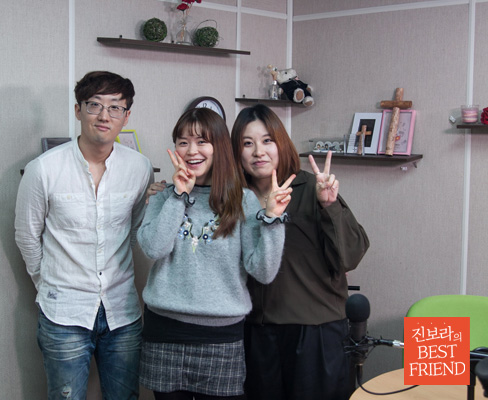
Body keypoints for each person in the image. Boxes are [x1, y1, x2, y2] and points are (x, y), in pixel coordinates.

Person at [137, 107, 295, 400]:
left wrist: (273, 220)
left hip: (221, 337)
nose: (191, 150)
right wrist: (179, 195)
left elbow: (263, 272)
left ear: (219, 146)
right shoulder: (162, 196)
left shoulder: (243, 201)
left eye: (202, 141)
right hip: (164, 332)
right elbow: (154, 248)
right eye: (183, 142)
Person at [14, 71, 154, 400]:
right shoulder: (44, 169)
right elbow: (26, 236)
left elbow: (134, 228)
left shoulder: (140, 167)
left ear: (126, 116)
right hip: (63, 312)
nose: (104, 116)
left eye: (115, 107)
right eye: (95, 105)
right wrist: (47, 282)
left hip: (122, 311)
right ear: (78, 110)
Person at [230, 104, 370, 400]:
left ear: (281, 143)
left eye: (267, 140)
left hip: (315, 332)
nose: (258, 152)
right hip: (255, 333)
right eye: (247, 143)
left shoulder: (311, 188)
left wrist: (330, 205)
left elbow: (351, 255)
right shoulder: (233, 198)